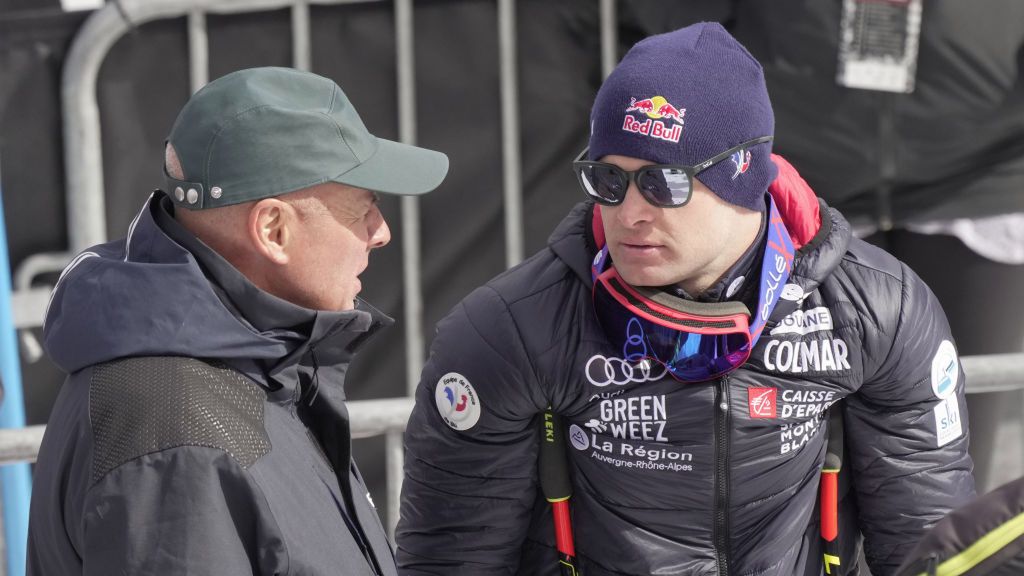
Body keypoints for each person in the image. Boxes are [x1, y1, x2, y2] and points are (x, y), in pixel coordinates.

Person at [396, 23, 973, 576]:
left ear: (743, 181)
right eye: (608, 180)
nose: (629, 213)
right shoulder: (508, 331)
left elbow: (925, 538)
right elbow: (452, 558)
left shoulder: (877, 308)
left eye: (662, 183)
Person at [27, 66, 448, 575]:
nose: (380, 233)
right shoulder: (176, 431)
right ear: (273, 230)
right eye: (363, 209)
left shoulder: (252, 365)